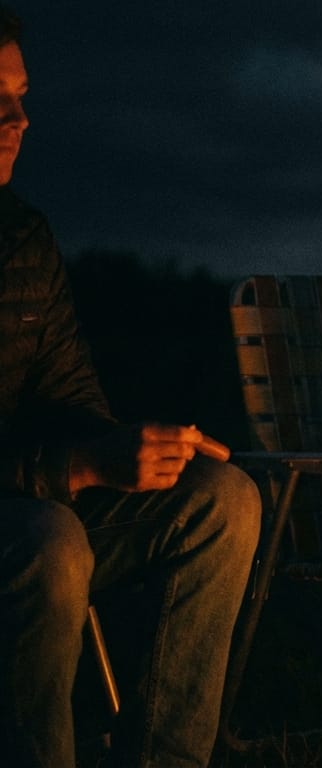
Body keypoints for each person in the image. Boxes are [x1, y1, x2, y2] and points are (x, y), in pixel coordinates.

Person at [0, 8, 262, 767]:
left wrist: (140, 449)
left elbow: (69, 396)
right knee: (49, 542)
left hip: (36, 503)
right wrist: (77, 469)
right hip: (32, 525)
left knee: (221, 496)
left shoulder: (21, 237)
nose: (17, 118)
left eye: (21, 95)